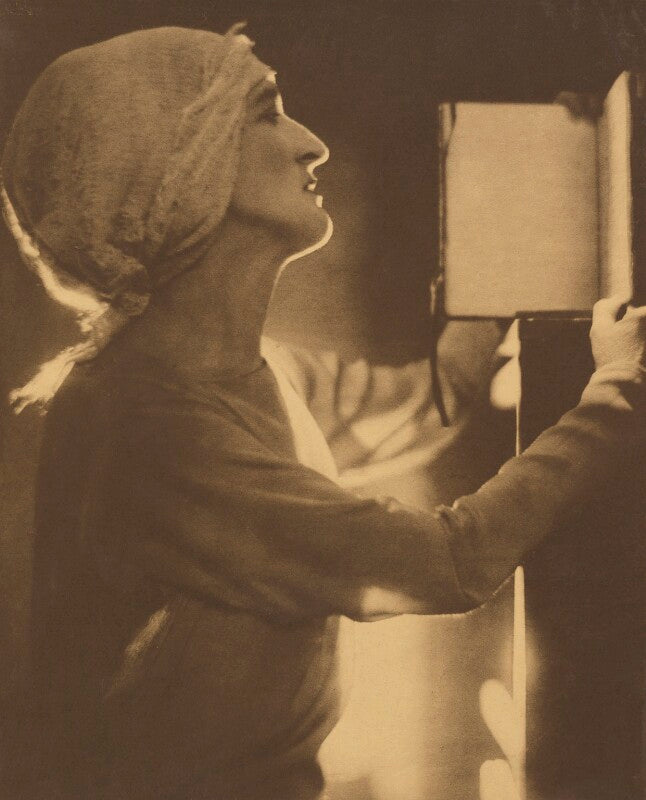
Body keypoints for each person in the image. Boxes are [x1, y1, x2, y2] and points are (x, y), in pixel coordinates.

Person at [1, 24, 645, 800]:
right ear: (177, 166)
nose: (313, 145)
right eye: (267, 112)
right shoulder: (148, 426)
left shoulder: (250, 370)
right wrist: (621, 389)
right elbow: (445, 564)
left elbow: (431, 400)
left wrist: (534, 172)